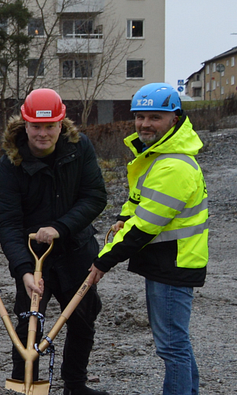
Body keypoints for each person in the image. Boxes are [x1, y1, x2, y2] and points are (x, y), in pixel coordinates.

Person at [89, 83, 208, 395]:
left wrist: (105, 260)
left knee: (172, 346)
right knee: (176, 342)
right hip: (168, 261)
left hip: (174, 263)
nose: (144, 124)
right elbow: (138, 201)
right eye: (140, 117)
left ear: (174, 118)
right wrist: (122, 218)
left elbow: (146, 226)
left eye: (155, 117)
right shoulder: (158, 155)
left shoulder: (174, 165)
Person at [0, 88, 108, 395]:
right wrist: (22, 270)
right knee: (27, 322)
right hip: (34, 258)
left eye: (50, 126)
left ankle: (75, 384)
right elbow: (7, 222)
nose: (42, 134)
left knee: (83, 319)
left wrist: (61, 227)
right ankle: (24, 385)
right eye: (36, 126)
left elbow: (95, 196)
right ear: (25, 124)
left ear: (61, 123)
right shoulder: (9, 164)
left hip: (75, 248)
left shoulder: (79, 147)